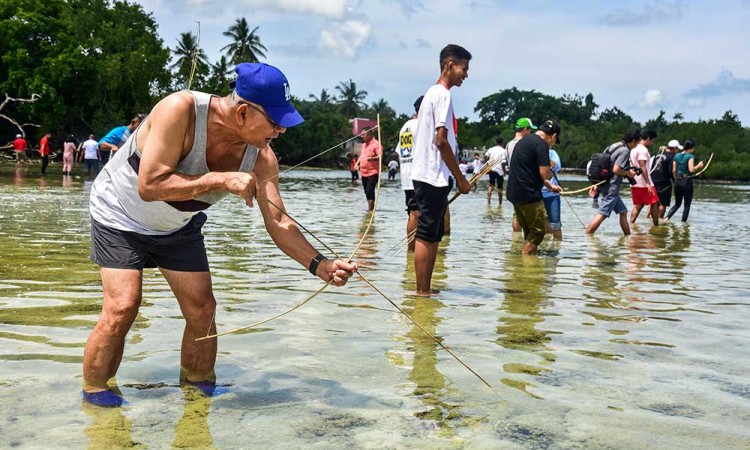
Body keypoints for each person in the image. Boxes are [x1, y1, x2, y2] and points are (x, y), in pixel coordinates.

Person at [82, 62, 358, 407]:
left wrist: (321, 264)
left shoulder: (262, 158)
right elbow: (150, 185)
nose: (280, 131)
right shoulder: (179, 110)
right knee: (124, 306)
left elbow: (279, 221)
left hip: (178, 225)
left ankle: (197, 394)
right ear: (243, 112)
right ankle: (95, 396)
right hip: (120, 214)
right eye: (275, 122)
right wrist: (220, 180)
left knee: (202, 309)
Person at [410, 44, 472, 295]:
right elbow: (441, 141)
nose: (466, 74)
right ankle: (422, 292)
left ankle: (426, 288)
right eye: (463, 69)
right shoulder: (443, 95)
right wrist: (461, 179)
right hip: (432, 177)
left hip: (430, 175)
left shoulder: (431, 94)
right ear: (449, 65)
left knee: (434, 234)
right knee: (427, 234)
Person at [506, 120, 563, 254]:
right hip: (528, 194)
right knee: (538, 232)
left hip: (514, 192)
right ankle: (524, 259)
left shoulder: (524, 141)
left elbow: (529, 169)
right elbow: (544, 173)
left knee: (529, 232)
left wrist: (548, 184)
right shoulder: (542, 145)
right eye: (554, 141)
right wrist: (551, 181)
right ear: (553, 136)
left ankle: (525, 270)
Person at [585, 129, 641, 235]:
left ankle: (627, 237)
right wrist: (629, 173)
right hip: (612, 186)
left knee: (623, 212)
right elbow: (616, 169)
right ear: (633, 141)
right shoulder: (625, 151)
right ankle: (588, 234)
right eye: (637, 143)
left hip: (604, 182)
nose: (637, 145)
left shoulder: (614, 145)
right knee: (603, 213)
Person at [395, 96, 422, 252]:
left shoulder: (406, 125)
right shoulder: (421, 125)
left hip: (407, 175)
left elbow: (400, 152)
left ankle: (411, 251)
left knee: (413, 212)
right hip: (418, 176)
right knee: (415, 214)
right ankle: (412, 251)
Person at [505, 118, 537, 231]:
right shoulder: (525, 144)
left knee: (516, 215)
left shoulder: (508, 145)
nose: (531, 133)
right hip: (525, 183)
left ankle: (516, 239)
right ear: (525, 130)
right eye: (530, 130)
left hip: (513, 183)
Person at [666, 139, 704, 222]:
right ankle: (683, 224)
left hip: (677, 181)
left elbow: (674, 170)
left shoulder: (677, 156)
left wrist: (676, 180)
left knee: (677, 204)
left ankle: (666, 218)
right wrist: (699, 166)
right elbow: (691, 170)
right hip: (686, 181)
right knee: (687, 205)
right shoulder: (690, 156)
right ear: (692, 148)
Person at [628, 130, 659, 226]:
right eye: (652, 140)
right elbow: (642, 166)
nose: (652, 143)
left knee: (638, 205)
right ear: (648, 139)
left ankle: (631, 224)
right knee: (654, 202)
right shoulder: (643, 150)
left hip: (634, 182)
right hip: (644, 182)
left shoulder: (633, 149)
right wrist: (648, 183)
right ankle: (656, 225)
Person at [651, 139, 681, 219]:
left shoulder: (658, 154)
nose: (677, 151)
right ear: (674, 148)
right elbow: (670, 172)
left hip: (653, 180)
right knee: (663, 203)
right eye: (677, 149)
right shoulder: (672, 157)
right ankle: (659, 219)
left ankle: (652, 219)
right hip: (664, 181)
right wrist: (675, 181)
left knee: (655, 202)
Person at [356, 128, 382, 211]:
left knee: (370, 190)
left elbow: (380, 156)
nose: (362, 136)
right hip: (363, 172)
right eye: (361, 134)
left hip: (373, 172)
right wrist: (357, 164)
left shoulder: (376, 144)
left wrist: (372, 158)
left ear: (370, 134)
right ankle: (370, 210)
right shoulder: (364, 145)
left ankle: (371, 210)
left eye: (363, 134)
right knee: (366, 192)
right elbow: (361, 156)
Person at [542, 146, 563, 240]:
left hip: (552, 194)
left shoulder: (552, 153)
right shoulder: (531, 152)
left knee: (555, 224)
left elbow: (555, 165)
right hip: (535, 195)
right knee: (539, 224)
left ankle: (557, 248)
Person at [484, 137, 506, 205]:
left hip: (491, 169)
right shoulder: (503, 150)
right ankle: (500, 203)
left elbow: (485, 155)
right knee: (500, 187)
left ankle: (488, 202)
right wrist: (504, 171)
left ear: (496, 142)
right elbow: (503, 162)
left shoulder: (491, 149)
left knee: (491, 185)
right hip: (499, 170)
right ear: (502, 143)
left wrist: (487, 163)